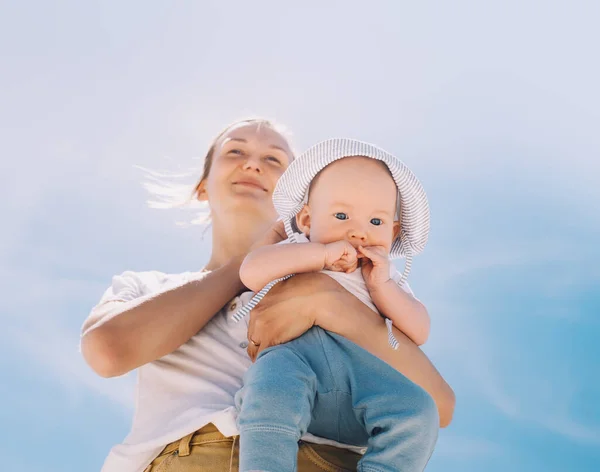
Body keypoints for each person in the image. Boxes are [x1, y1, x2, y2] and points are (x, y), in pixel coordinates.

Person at [81, 120, 455, 472]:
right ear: (202, 186)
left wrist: (324, 297)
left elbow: (435, 405)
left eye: (273, 160)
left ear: (298, 198)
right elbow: (107, 350)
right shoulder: (145, 287)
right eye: (235, 152)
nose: (254, 166)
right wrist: (243, 270)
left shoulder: (365, 283)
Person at [235, 139, 437, 472]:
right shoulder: (298, 247)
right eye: (341, 215)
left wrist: (381, 286)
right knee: (271, 390)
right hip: (296, 361)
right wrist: (320, 255)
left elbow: (421, 329)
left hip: (363, 380)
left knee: (418, 412)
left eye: (376, 222)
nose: (358, 232)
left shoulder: (385, 277)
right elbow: (251, 272)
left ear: (394, 230)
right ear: (307, 220)